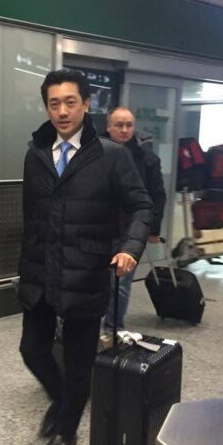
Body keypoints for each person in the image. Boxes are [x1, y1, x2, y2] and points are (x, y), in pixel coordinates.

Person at [17, 70, 152, 445]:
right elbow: (31, 214)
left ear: (87, 104)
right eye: (54, 103)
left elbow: (141, 206)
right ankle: (64, 401)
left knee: (78, 360)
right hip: (41, 268)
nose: (62, 111)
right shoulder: (36, 154)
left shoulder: (111, 155)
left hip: (87, 269)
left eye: (70, 102)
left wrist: (130, 247)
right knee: (32, 349)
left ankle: (67, 429)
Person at [101, 107, 166, 339]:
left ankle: (113, 328)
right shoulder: (92, 153)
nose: (124, 130)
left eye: (129, 125)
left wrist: (153, 229)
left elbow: (157, 196)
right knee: (91, 281)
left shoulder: (147, 159)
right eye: (119, 125)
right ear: (109, 127)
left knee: (121, 282)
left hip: (130, 232)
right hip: (96, 228)